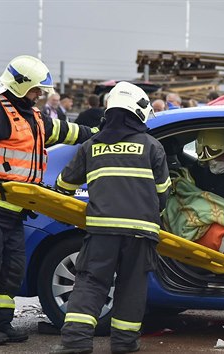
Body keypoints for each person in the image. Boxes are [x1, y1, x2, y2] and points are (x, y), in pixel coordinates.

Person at [0, 55, 97, 346]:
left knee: (9, 270)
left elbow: (65, 131)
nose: (39, 96)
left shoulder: (31, 116)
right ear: (20, 86)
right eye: (36, 90)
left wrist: (96, 133)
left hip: (12, 210)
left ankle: (1, 323)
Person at [51, 81, 170, 354]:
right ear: (137, 112)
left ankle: (76, 342)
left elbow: (64, 186)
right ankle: (125, 344)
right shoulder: (152, 147)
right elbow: (163, 195)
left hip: (102, 231)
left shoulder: (91, 147)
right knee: (131, 286)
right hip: (141, 233)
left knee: (91, 283)